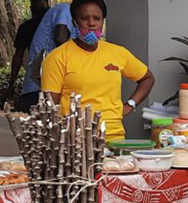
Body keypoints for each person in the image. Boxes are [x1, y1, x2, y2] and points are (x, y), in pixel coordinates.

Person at [42, 0, 155, 142]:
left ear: (102, 21)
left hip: (115, 137)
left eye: (97, 18)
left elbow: (147, 78)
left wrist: (130, 105)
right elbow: (51, 106)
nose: (91, 23)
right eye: (84, 18)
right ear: (74, 22)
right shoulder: (58, 57)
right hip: (76, 141)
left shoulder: (118, 53)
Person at [19, 2, 76, 113]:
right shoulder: (65, 10)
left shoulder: (71, 15)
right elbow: (60, 38)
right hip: (42, 88)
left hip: (41, 87)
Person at [5, 0, 50, 112]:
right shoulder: (26, 27)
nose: (36, 5)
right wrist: (12, 83)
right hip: (34, 81)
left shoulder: (57, 25)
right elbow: (18, 56)